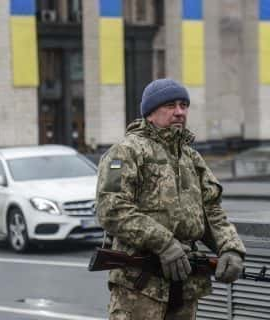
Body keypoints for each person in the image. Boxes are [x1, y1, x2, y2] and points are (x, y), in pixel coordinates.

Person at [96, 78, 246, 320]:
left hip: (185, 286)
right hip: (140, 287)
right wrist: (164, 243)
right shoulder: (126, 152)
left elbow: (212, 212)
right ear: (150, 113)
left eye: (184, 105)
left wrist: (230, 248)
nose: (179, 112)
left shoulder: (191, 158)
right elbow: (111, 209)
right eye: (170, 105)